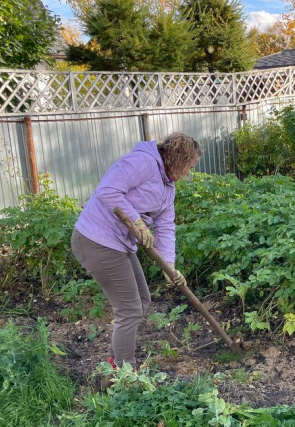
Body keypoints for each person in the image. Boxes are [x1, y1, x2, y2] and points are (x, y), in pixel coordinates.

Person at [71, 132, 202, 370]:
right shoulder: (143, 162)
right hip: (97, 239)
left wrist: (169, 266)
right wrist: (137, 223)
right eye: (188, 167)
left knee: (141, 300)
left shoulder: (167, 186)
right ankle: (125, 370)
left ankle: (116, 359)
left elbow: (165, 225)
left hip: (119, 243)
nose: (187, 174)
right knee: (129, 309)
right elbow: (108, 190)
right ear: (178, 159)